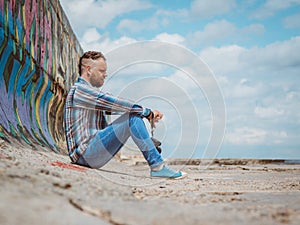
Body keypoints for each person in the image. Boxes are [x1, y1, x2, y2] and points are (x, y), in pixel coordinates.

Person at [64, 51, 186, 179]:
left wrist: (143, 121)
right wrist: (148, 112)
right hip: (86, 153)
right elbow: (115, 103)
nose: (105, 75)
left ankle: (149, 143)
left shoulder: (87, 92)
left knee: (133, 115)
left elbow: (116, 108)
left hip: (90, 154)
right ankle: (157, 166)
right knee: (132, 117)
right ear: (88, 69)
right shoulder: (81, 91)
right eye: (102, 71)